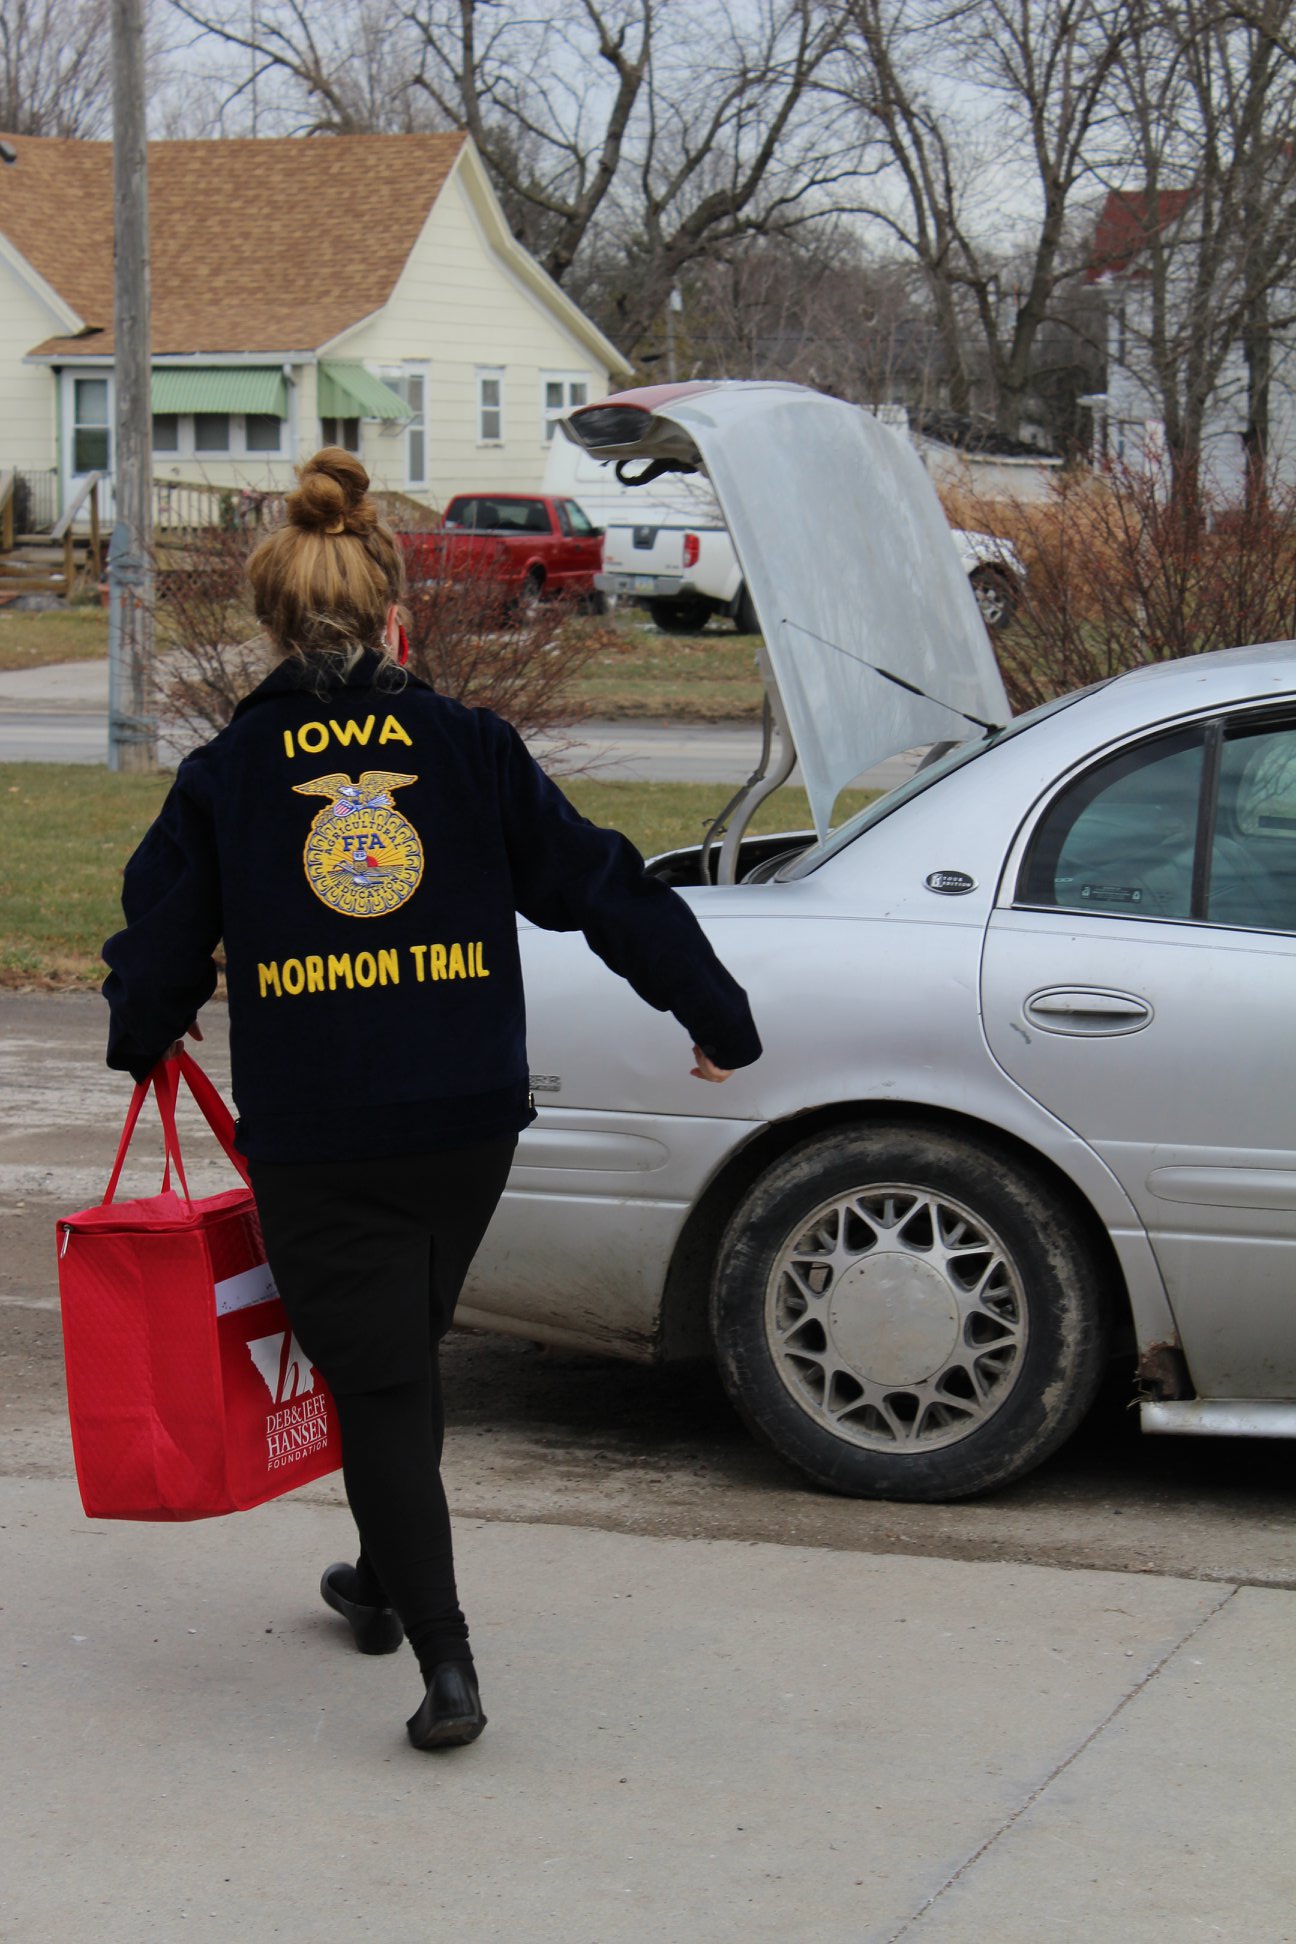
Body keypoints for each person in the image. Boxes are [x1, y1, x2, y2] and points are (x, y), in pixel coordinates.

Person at [102, 448, 761, 1752]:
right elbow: (599, 882)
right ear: (396, 611)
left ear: (275, 623)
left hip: (322, 1135)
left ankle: (445, 1664)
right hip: (467, 1121)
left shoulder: (229, 777)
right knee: (390, 1358)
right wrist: (715, 1013)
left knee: (385, 1383)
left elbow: (157, 941)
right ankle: (374, 1576)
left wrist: (141, 1030)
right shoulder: (468, 749)